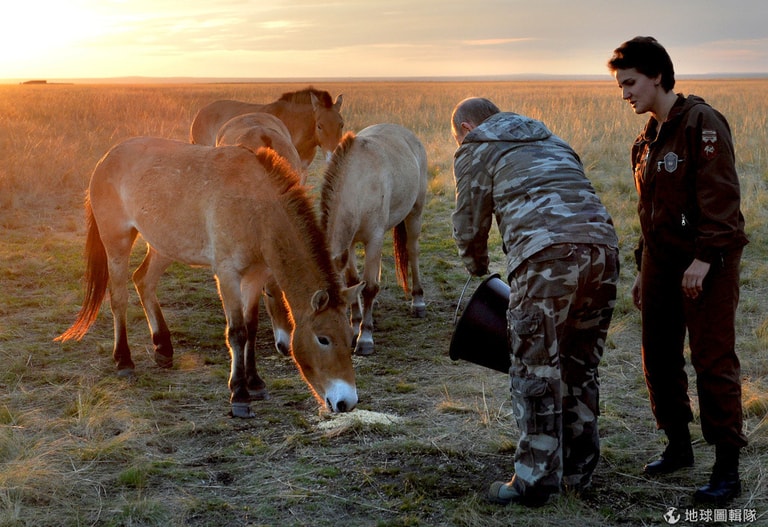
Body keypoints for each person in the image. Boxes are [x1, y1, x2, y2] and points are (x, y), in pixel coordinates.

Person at [450, 97, 620, 506]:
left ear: (467, 128)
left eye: (457, 137)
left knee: (534, 369)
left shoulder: (476, 147)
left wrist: (477, 265)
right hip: (603, 252)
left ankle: (535, 481)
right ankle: (579, 473)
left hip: (546, 260)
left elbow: (469, 222)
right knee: (580, 365)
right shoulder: (553, 139)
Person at [607, 36, 748, 505]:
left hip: (707, 264)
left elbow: (722, 199)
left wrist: (704, 259)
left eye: (630, 83)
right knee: (658, 355)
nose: (625, 93)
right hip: (661, 264)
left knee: (712, 360)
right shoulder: (645, 139)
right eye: (621, 85)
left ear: (658, 77)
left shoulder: (701, 124)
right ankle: (678, 445)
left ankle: (727, 469)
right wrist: (641, 268)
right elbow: (650, 212)